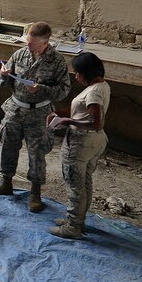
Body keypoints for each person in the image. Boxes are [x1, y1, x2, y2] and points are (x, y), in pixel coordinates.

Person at [0, 22, 71, 212]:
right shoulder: (19, 54)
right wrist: (3, 74)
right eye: (27, 41)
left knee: (37, 153)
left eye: (32, 43)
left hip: (39, 114)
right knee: (8, 145)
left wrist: (41, 89)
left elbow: (64, 90)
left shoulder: (57, 61)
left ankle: (35, 192)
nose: (28, 46)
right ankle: (5, 182)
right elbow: (3, 82)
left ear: (45, 42)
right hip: (15, 109)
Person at [47, 52, 110, 240]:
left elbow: (95, 122)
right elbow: (81, 111)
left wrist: (68, 121)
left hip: (81, 142)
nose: (76, 77)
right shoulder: (101, 86)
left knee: (75, 185)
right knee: (84, 182)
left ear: (86, 72)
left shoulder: (93, 92)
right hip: (94, 142)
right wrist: (59, 113)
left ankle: (73, 226)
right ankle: (78, 220)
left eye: (77, 73)